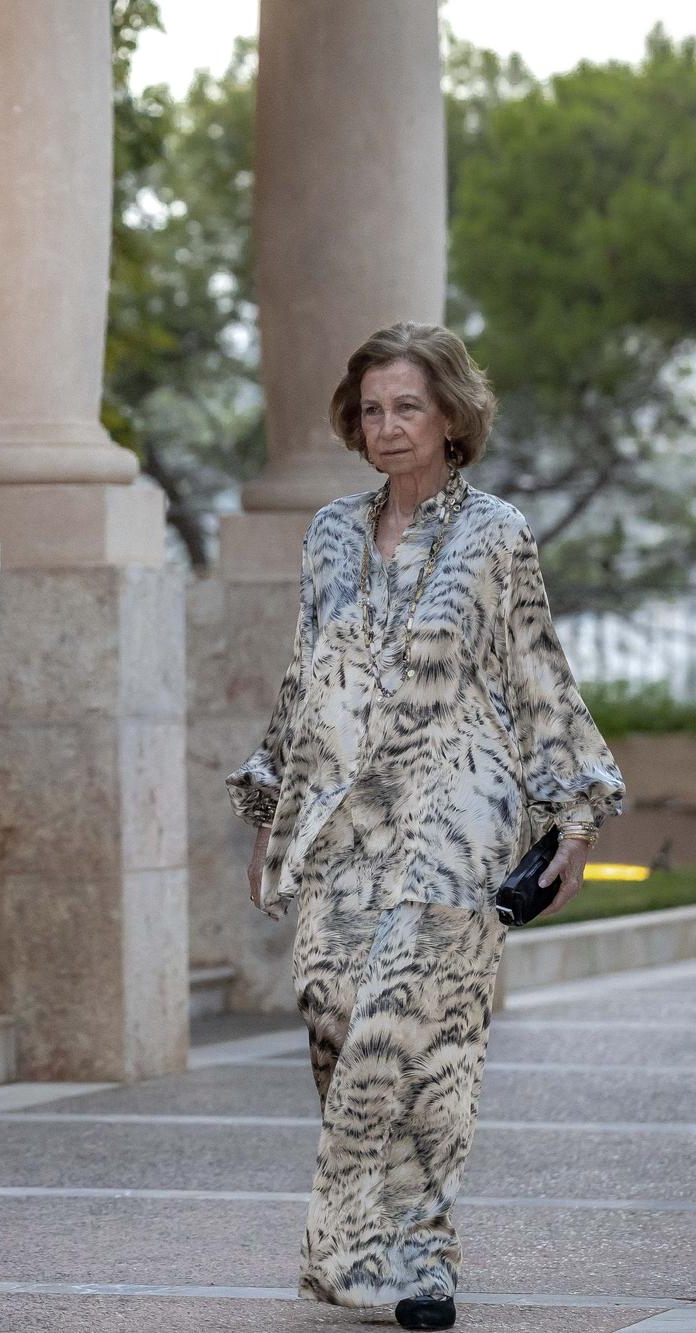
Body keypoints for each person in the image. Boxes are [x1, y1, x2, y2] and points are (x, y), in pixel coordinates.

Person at [229, 322, 623, 1331]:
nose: (385, 425)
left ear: (450, 416)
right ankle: (376, 1234)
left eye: (406, 405)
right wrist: (270, 810)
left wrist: (570, 825)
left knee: (419, 1039)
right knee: (331, 1021)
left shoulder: (494, 532)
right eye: (369, 409)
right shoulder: (326, 531)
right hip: (336, 824)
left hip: (457, 815)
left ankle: (421, 1258)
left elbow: (537, 674)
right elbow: (301, 676)